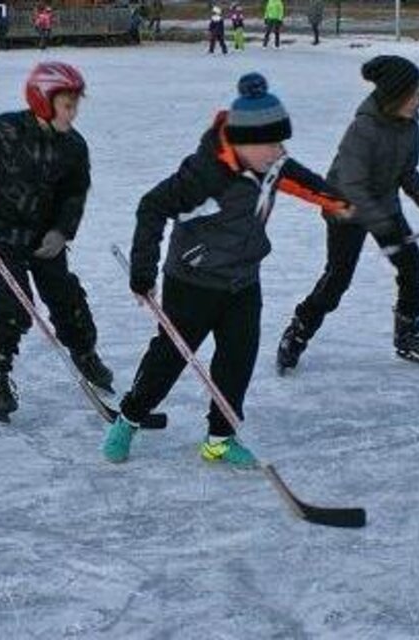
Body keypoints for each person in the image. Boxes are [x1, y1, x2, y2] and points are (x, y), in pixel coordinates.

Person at [101, 73, 350, 466]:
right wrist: (142, 273)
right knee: (170, 357)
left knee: (238, 359)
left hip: (243, 281)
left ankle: (220, 437)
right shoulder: (204, 175)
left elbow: (306, 183)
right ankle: (129, 419)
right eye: (270, 143)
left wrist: (343, 203)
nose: (279, 150)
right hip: (194, 281)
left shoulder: (271, 163)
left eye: (281, 142)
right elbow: (152, 207)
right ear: (242, 141)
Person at [276, 55, 419, 373]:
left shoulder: (410, 126)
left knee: (413, 267)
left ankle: (408, 332)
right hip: (345, 209)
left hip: (383, 206)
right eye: (414, 94)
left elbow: (408, 173)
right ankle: (299, 331)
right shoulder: (364, 129)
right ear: (394, 95)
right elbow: (352, 186)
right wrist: (383, 225)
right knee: (337, 280)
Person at [0, 62, 114, 423]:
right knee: (14, 302)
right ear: (42, 101)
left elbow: (74, 194)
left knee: (65, 295)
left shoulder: (73, 147)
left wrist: (61, 232)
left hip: (43, 236)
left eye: (75, 105)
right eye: (67, 105)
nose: (74, 112)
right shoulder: (5, 131)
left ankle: (85, 352)